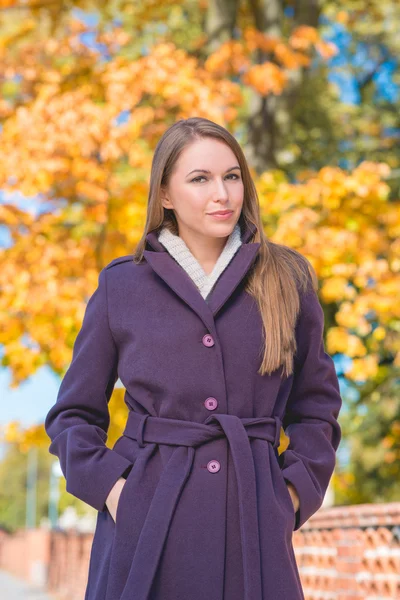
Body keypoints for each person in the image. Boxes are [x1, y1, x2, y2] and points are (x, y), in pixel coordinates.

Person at [44, 116, 342, 600]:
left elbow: (316, 408)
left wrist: (287, 498)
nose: (221, 194)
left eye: (231, 176)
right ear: (165, 194)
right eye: (200, 179)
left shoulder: (288, 279)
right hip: (145, 525)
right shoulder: (121, 286)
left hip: (254, 523)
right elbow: (73, 416)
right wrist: (119, 494)